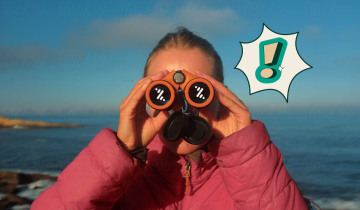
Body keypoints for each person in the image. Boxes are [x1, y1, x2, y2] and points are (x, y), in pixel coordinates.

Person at [31, 27, 318, 210]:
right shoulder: (120, 188)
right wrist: (120, 153)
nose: (181, 107)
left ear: (220, 95)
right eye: (163, 92)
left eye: (197, 91)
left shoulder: (250, 181)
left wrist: (245, 152)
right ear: (144, 97)